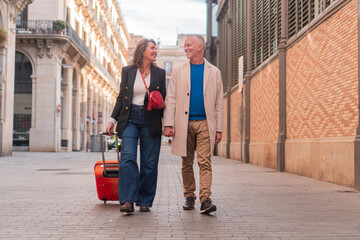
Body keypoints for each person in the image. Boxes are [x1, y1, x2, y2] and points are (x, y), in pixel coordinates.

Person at [163, 35, 224, 214]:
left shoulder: (214, 72)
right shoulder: (179, 71)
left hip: (206, 123)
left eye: (188, 45)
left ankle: (205, 199)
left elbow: (219, 103)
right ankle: (189, 195)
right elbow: (171, 98)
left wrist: (219, 128)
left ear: (200, 47)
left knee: (205, 161)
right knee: (186, 162)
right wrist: (168, 123)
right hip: (184, 123)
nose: (185, 48)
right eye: (184, 45)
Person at [106, 38, 166, 213]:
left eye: (156, 49)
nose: (155, 51)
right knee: (128, 158)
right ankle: (128, 200)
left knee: (149, 161)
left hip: (151, 119)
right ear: (142, 51)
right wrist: (112, 120)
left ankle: (145, 200)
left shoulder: (160, 73)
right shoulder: (128, 71)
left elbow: (164, 99)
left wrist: (168, 124)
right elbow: (121, 97)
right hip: (130, 118)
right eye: (152, 48)